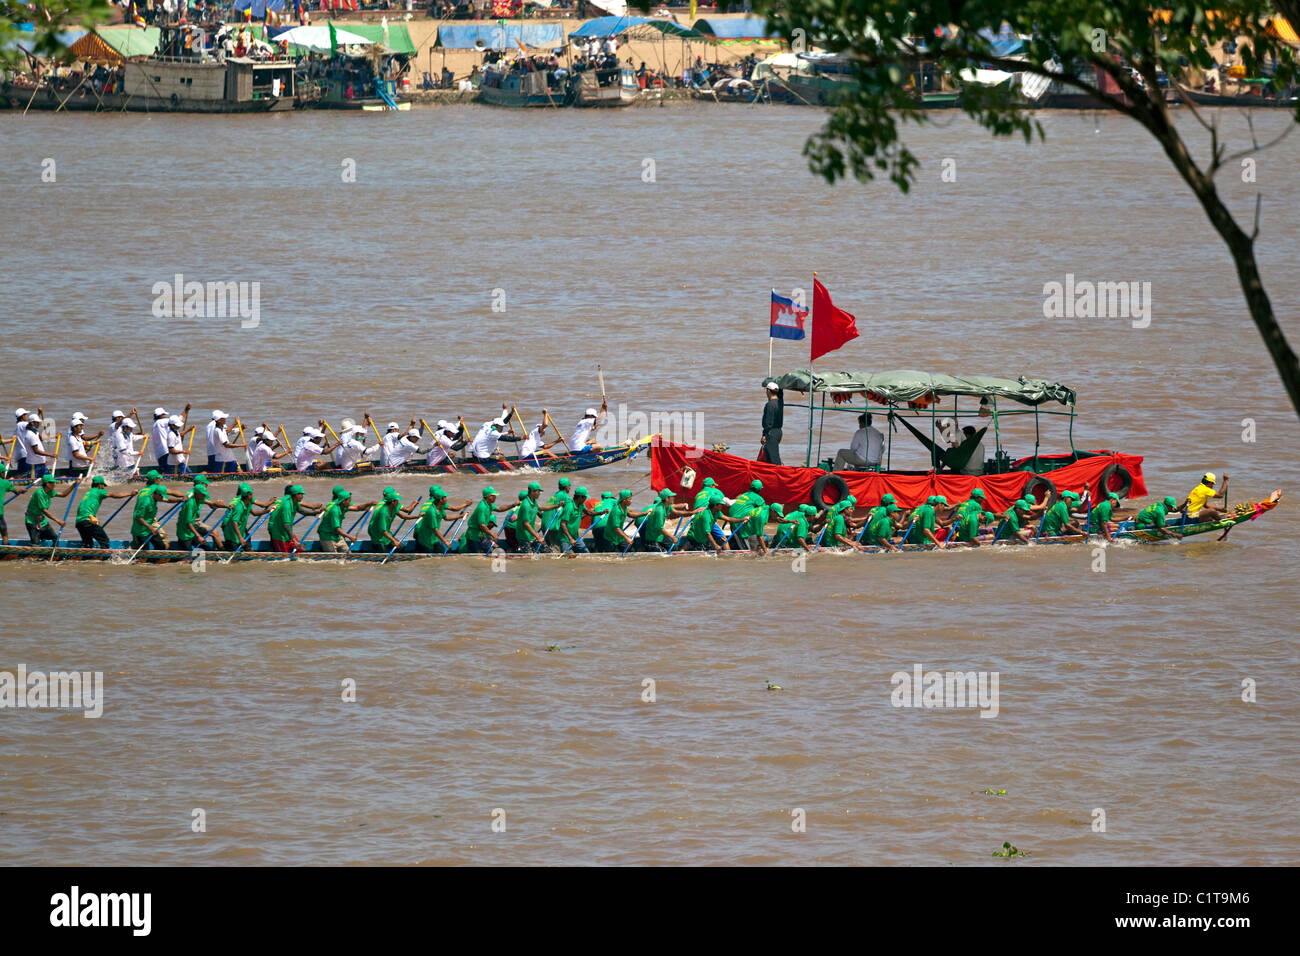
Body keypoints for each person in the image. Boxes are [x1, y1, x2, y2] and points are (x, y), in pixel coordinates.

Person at [74, 475, 133, 549]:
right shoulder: (99, 491)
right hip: (88, 520)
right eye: (103, 486)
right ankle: (104, 558)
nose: (103, 488)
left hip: (79, 522)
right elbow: (114, 494)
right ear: (99, 485)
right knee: (105, 541)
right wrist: (130, 493)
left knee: (88, 544)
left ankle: (86, 557)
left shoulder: (88, 492)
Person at [411, 485, 472, 554]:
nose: (447, 499)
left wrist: (460, 516)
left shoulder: (439, 506)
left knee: (442, 551)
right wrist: (445, 541)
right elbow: (435, 529)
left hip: (431, 536)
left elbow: (446, 517)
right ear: (440, 499)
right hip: (425, 536)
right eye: (445, 497)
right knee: (427, 552)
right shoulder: (431, 510)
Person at [267, 484, 321, 555]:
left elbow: (304, 512)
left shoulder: (294, 502)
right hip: (278, 532)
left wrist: (317, 512)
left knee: (300, 551)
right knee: (284, 556)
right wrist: (294, 540)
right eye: (301, 494)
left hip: (285, 530)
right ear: (295, 495)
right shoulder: (286, 505)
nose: (302, 496)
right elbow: (286, 525)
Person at [220, 482, 271, 552]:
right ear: (248, 496)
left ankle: (250, 553)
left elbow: (254, 513)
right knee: (234, 549)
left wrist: (268, 511)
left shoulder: (248, 502)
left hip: (240, 525)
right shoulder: (238, 506)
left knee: (248, 543)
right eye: (252, 494)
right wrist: (240, 537)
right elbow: (234, 522)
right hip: (231, 528)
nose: (253, 496)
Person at [24, 473, 72, 545]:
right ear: (47, 484)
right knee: (35, 545)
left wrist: (74, 485)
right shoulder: (39, 493)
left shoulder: (50, 492)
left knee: (55, 538)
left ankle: (56, 554)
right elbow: (44, 510)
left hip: (42, 521)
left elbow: (63, 494)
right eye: (52, 483)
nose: (54, 484)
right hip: (32, 521)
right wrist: (58, 521)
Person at [461, 485, 508, 554]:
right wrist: (493, 535)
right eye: (494, 495)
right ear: (489, 497)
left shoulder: (489, 505)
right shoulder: (482, 507)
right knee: (478, 557)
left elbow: (500, 509)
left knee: (490, 552)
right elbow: (482, 525)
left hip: (481, 535)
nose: (495, 497)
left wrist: (513, 505)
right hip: (474, 536)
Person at [727, 479, 769, 553]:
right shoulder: (759, 499)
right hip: (739, 523)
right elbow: (762, 513)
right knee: (746, 552)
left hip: (732, 520)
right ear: (759, 489)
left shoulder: (743, 495)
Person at [176, 483, 222, 550]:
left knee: (207, 548)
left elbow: (212, 504)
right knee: (189, 557)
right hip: (185, 534)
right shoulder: (190, 504)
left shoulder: (199, 499)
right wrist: (198, 536)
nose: (204, 495)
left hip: (191, 533)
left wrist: (226, 506)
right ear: (197, 494)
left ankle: (214, 555)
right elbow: (188, 523)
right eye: (203, 494)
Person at [366, 487, 412, 552]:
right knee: (385, 554)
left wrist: (417, 516)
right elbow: (383, 531)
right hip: (377, 535)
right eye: (397, 500)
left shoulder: (393, 505)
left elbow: (404, 515)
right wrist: (394, 541)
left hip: (386, 532)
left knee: (401, 548)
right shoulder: (383, 512)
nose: (398, 502)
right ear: (392, 502)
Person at [130, 483, 170, 551]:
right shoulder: (146, 502)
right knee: (144, 554)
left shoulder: (155, 498)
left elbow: (168, 500)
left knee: (161, 546)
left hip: (149, 529)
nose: (162, 498)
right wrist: (151, 528)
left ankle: (155, 559)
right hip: (141, 531)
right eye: (161, 496)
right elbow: (139, 517)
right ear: (156, 494)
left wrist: (180, 500)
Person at [0, 471, 29, 544]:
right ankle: (5, 551)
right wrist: (22, 490)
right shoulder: (5, 483)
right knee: (4, 534)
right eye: (3, 472)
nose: (5, 474)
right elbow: (17, 491)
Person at [760, 381, 783, 465]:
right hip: (778, 432)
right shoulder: (780, 403)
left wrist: (764, 435)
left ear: (768, 391)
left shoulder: (769, 405)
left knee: (774, 459)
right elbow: (781, 394)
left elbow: (768, 422)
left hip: (771, 433)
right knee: (770, 456)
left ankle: (779, 474)